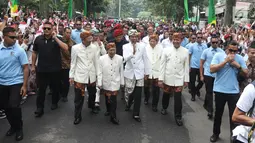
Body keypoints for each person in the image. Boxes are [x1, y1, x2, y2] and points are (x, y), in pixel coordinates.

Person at [209, 41, 248, 142]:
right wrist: (225, 61)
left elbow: (246, 73)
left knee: (234, 117)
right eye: (231, 50)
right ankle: (215, 133)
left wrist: (238, 66)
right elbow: (212, 69)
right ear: (226, 49)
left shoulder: (239, 58)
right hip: (219, 90)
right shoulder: (218, 55)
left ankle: (233, 136)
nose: (233, 53)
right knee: (218, 114)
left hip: (233, 92)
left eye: (235, 51)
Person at [32, 21, 68, 118]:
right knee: (41, 90)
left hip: (55, 69)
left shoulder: (57, 39)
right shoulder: (38, 39)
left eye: (49, 28)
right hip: (42, 69)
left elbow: (65, 48)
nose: (46, 30)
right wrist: (32, 65)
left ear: (52, 29)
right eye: (45, 28)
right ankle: (39, 108)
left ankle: (54, 102)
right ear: (42, 29)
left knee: (55, 87)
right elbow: (34, 52)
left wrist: (55, 37)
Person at [0, 27, 29, 141]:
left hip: (16, 82)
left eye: (15, 37)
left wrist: (24, 85)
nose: (15, 39)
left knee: (14, 106)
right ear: (4, 37)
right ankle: (13, 126)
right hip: (2, 83)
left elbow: (26, 68)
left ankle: (19, 129)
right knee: (5, 107)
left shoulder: (19, 50)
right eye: (12, 37)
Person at [158, 32, 189, 126]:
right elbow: (162, 65)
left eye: (178, 39)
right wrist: (160, 79)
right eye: (174, 39)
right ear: (172, 40)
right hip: (168, 77)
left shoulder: (185, 51)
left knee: (178, 99)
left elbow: (186, 67)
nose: (176, 41)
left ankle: (178, 116)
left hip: (179, 78)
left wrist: (186, 80)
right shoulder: (166, 50)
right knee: (166, 94)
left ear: (181, 40)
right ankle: (164, 107)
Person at [69, 31, 98, 125]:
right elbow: (73, 62)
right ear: (83, 39)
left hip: (91, 75)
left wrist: (98, 75)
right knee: (78, 97)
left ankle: (92, 106)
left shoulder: (94, 47)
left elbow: (96, 62)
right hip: (80, 75)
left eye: (91, 37)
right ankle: (77, 116)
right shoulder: (75, 48)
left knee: (92, 93)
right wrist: (71, 76)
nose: (91, 39)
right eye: (88, 38)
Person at [123, 29, 151, 122]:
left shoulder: (143, 46)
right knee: (130, 92)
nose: (134, 38)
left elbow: (145, 59)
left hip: (139, 73)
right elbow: (124, 59)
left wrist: (147, 73)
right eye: (132, 37)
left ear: (138, 37)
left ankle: (136, 114)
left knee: (138, 94)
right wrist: (132, 53)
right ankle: (128, 103)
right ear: (129, 37)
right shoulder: (125, 46)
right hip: (129, 72)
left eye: (135, 37)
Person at [97, 43, 124, 125]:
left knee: (113, 100)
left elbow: (121, 71)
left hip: (115, 82)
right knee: (107, 98)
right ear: (107, 50)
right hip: (106, 81)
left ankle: (113, 117)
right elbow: (99, 72)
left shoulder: (120, 58)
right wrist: (99, 82)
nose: (112, 52)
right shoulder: (101, 59)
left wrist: (122, 82)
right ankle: (108, 110)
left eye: (114, 50)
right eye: (110, 50)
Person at [200, 36, 224, 119]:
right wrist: (201, 75)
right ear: (210, 42)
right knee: (209, 92)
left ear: (218, 43)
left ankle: (206, 104)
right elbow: (201, 63)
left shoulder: (221, 52)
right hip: (208, 74)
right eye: (213, 42)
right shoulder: (206, 51)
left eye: (216, 42)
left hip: (217, 75)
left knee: (215, 93)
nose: (215, 44)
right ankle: (210, 110)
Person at [144, 35, 163, 112]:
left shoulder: (161, 49)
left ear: (157, 41)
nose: (152, 42)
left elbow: (162, 61)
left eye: (154, 41)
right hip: (147, 72)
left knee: (156, 90)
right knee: (146, 88)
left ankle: (154, 105)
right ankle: (146, 98)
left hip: (157, 72)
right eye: (151, 41)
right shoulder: (145, 48)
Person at [189, 32, 207, 101]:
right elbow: (189, 56)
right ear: (196, 38)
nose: (199, 39)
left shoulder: (205, 46)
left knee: (201, 81)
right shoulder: (192, 46)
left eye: (201, 37)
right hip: (193, 66)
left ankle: (196, 90)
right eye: (198, 37)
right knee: (192, 82)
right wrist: (189, 66)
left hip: (201, 67)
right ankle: (193, 95)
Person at [60, 27, 75, 102]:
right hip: (58, 64)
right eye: (67, 32)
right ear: (64, 32)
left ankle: (64, 95)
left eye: (70, 33)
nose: (68, 34)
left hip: (67, 65)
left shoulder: (72, 43)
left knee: (66, 81)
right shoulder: (59, 40)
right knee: (58, 81)